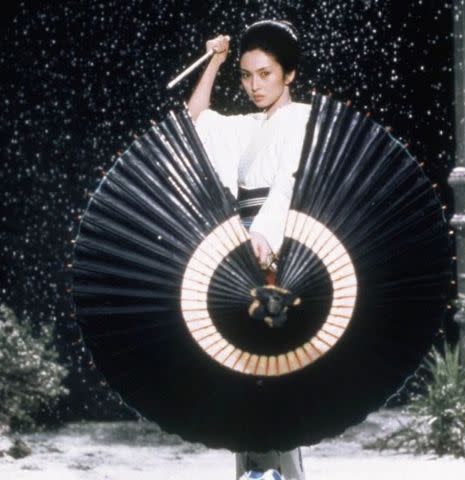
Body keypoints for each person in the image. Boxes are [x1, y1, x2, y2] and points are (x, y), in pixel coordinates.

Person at [187, 19, 308, 480]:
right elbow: (194, 122)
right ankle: (252, 471)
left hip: (280, 248)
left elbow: (289, 183)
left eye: (266, 74)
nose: (254, 85)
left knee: (275, 368)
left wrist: (266, 236)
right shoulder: (247, 126)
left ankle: (280, 471)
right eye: (246, 74)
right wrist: (214, 63)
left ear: (289, 74)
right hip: (242, 249)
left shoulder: (302, 119)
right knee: (241, 369)